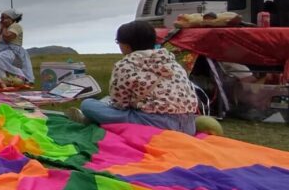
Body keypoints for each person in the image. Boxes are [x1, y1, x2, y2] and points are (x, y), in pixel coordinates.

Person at [66, 21, 199, 134]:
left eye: (118, 42)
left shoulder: (126, 65)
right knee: (107, 101)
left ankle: (87, 118)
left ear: (126, 45)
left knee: (88, 104)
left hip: (157, 125)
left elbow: (120, 105)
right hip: (188, 124)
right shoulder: (172, 62)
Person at [0, 9, 34, 83]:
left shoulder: (16, 26)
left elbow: (7, 37)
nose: (3, 20)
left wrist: (4, 28)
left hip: (13, 50)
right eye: (2, 18)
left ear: (12, 18)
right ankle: (0, 79)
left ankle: (5, 80)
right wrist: (1, 28)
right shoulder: (4, 28)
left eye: (6, 18)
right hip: (1, 49)